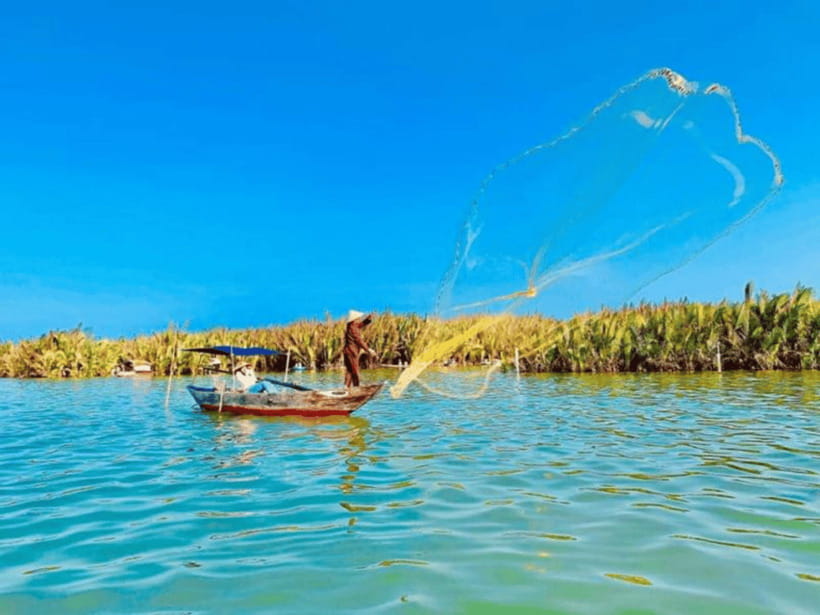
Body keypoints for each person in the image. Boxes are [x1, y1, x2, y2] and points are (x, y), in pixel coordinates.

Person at [343, 310, 376, 388]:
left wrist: (368, 319)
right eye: (358, 318)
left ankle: (346, 387)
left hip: (348, 351)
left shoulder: (352, 325)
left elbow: (361, 324)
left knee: (350, 370)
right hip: (352, 352)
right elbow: (359, 340)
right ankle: (357, 388)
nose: (359, 319)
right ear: (354, 320)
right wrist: (368, 350)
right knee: (355, 370)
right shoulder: (353, 328)